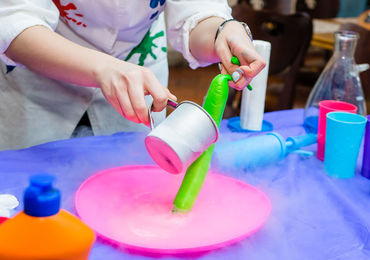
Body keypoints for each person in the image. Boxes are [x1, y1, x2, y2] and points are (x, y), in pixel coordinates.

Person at [0, 0, 265, 150]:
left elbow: (196, 14)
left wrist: (222, 31)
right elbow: (15, 22)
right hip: (39, 81)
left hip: (139, 80)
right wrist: (103, 69)